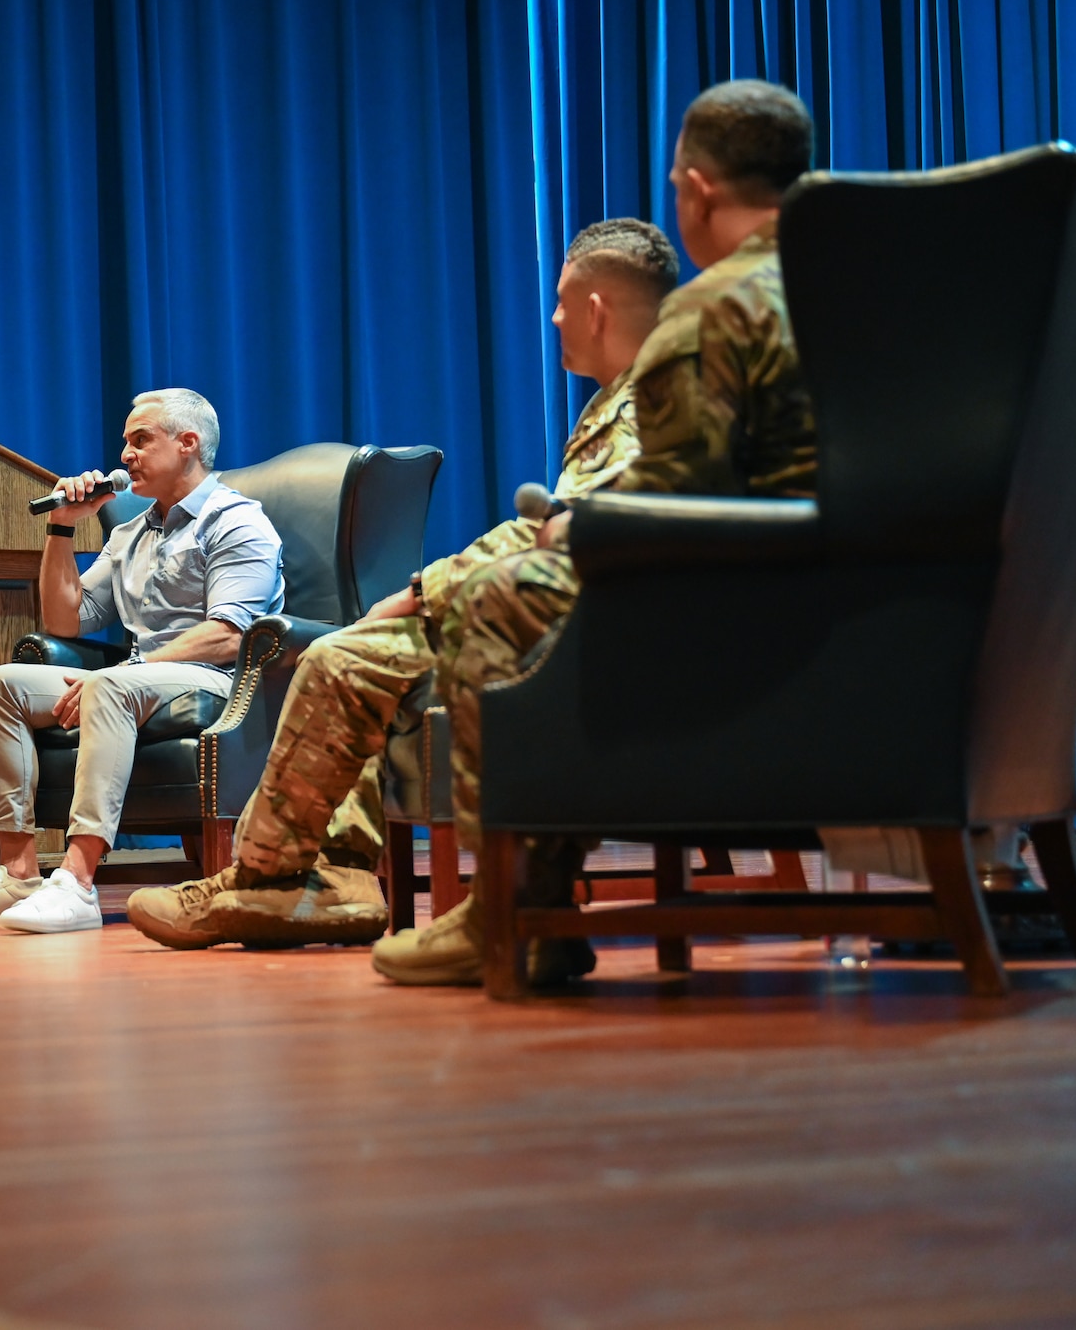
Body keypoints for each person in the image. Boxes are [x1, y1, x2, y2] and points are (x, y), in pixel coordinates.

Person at [369, 77, 820, 986]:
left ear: (694, 189)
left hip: (741, 624)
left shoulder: (708, 311)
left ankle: (510, 909)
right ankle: (536, 904)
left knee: (494, 599)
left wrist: (573, 532)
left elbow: (680, 515)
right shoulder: (862, 283)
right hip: (861, 607)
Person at [123, 218, 681, 950]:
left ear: (598, 308)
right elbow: (552, 526)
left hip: (586, 624)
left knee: (347, 655)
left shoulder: (657, 399)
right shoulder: (617, 400)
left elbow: (582, 534)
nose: (552, 317)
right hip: (556, 607)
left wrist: (426, 594)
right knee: (348, 658)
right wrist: (428, 588)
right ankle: (324, 877)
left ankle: (278, 879)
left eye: (562, 301)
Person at [0, 388, 284, 934]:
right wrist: (62, 527)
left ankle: (77, 881)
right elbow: (66, 620)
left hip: (216, 683)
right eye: (125, 443)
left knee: (109, 687)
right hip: (140, 678)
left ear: (188, 444)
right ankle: (16, 874)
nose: (124, 456)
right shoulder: (128, 533)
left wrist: (117, 675)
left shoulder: (237, 522)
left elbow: (228, 635)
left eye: (141, 441)